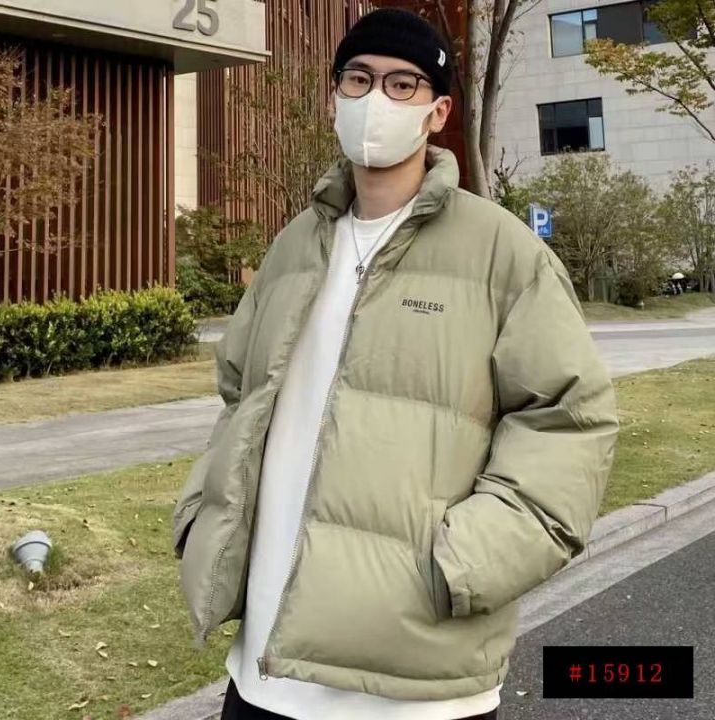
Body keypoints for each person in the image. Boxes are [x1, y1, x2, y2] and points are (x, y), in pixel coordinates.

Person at [172, 9, 620, 720]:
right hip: (263, 677)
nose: (375, 98)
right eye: (358, 78)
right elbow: (239, 398)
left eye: (402, 84)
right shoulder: (293, 248)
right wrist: (205, 513)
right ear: (334, 98)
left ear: (437, 113)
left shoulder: (503, 254)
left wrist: (462, 563)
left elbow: (570, 422)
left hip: (418, 689)